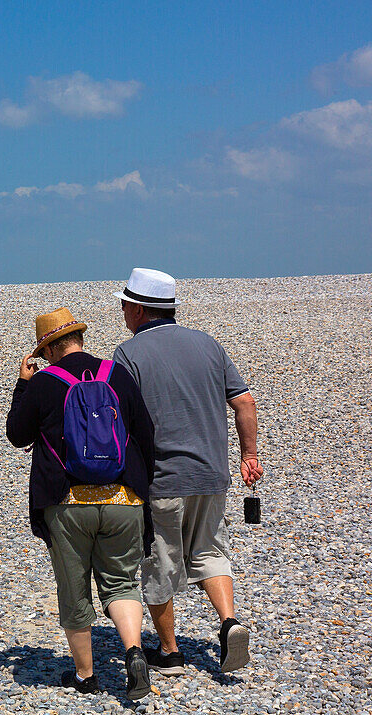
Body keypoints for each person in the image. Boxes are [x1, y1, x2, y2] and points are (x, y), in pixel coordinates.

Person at [111, 268, 264, 675]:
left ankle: (170, 651)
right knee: (211, 551)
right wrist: (249, 455)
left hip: (163, 478)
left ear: (140, 309)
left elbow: (119, 419)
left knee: (161, 561)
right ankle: (229, 622)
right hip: (212, 473)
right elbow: (245, 402)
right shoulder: (208, 344)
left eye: (125, 305)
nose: (123, 312)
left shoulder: (128, 354)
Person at [6, 307, 157, 699]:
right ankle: (134, 652)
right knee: (122, 582)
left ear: (49, 349)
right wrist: (143, 489)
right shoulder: (115, 374)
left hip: (67, 503)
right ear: (80, 339)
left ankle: (86, 675)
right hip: (123, 499)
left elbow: (17, 436)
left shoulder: (44, 382)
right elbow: (145, 433)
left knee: (74, 590)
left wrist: (23, 385)